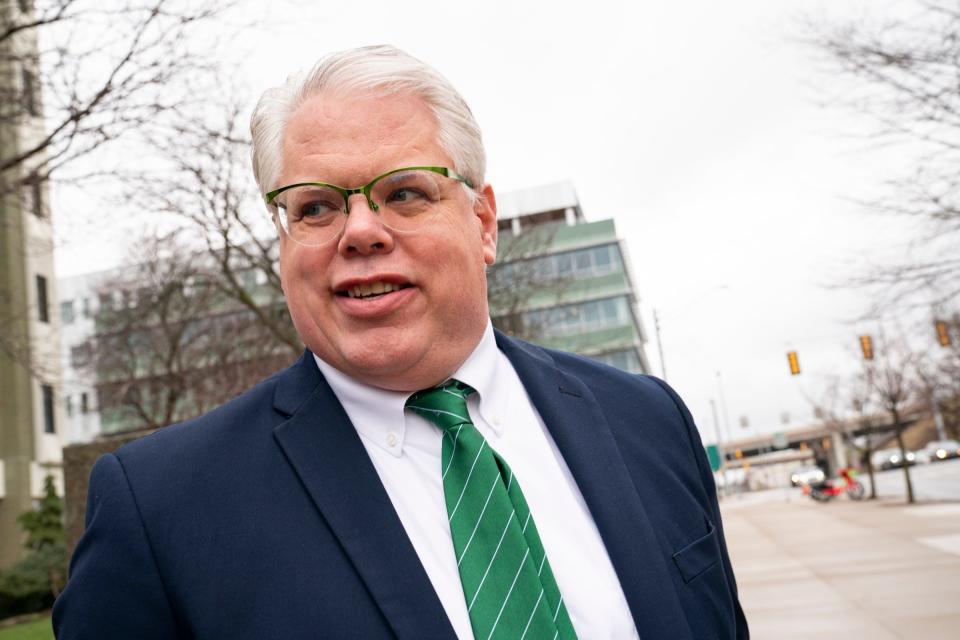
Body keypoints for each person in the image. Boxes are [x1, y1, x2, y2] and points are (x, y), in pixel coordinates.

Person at [53, 45, 748, 639]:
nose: (360, 231)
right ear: (282, 242)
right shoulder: (162, 508)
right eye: (316, 206)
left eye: (406, 192)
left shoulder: (649, 421)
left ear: (483, 223)